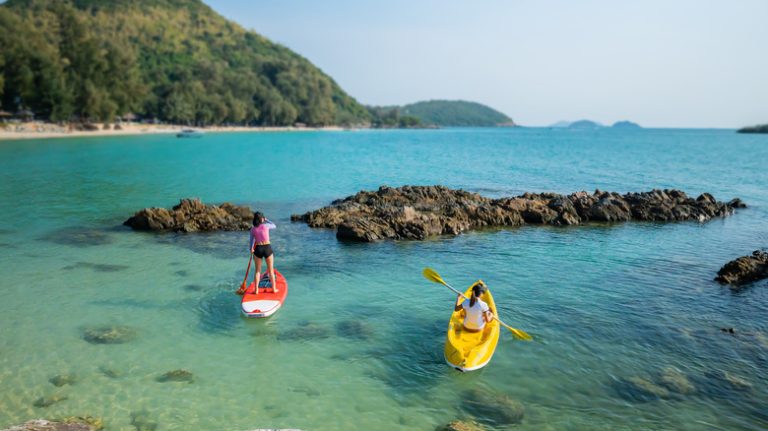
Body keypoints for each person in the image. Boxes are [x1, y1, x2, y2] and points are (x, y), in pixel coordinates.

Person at [249, 211, 278, 293]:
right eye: (263, 217)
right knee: (271, 270)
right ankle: (274, 289)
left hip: (258, 249)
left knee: (257, 271)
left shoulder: (252, 229)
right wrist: (266, 219)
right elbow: (274, 225)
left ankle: (256, 290)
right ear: (261, 219)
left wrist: (251, 249)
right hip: (267, 248)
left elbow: (251, 242)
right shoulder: (266, 225)